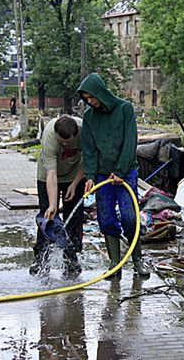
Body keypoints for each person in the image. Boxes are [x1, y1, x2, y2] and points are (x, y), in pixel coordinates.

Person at [77, 73, 149, 277]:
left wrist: (120, 171)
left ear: (100, 92)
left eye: (91, 97)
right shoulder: (89, 117)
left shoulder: (124, 109)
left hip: (126, 173)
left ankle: (137, 262)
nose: (89, 102)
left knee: (129, 216)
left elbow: (130, 141)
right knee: (105, 217)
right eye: (86, 99)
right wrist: (90, 175)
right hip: (102, 175)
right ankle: (115, 263)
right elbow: (89, 149)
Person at [31, 115, 85, 278]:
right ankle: (40, 260)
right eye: (60, 141)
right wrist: (53, 205)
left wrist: (74, 184)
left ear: (75, 135)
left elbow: (88, 160)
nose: (63, 144)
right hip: (48, 176)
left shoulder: (84, 131)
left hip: (75, 174)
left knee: (73, 218)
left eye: (67, 142)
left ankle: (71, 260)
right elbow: (51, 174)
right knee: (47, 217)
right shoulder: (49, 136)